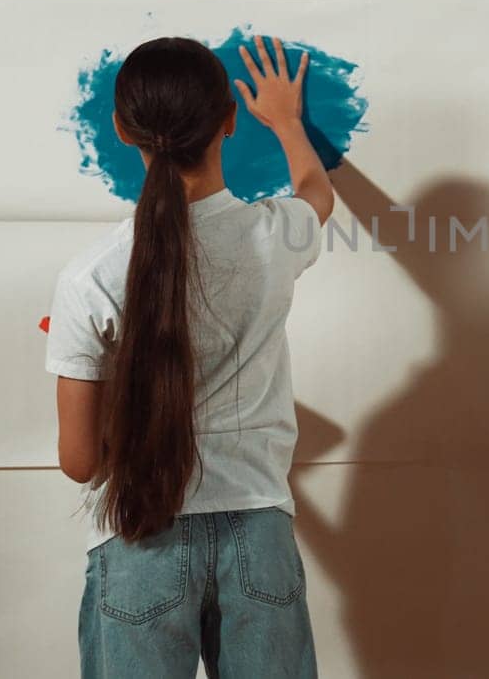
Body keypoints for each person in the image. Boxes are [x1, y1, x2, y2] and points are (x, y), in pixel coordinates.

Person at [45, 36, 332, 679]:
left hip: (140, 536)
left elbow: (80, 461)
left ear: (122, 130)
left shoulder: (90, 276)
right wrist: (285, 120)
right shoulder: (276, 234)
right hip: (258, 536)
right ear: (228, 120)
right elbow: (318, 195)